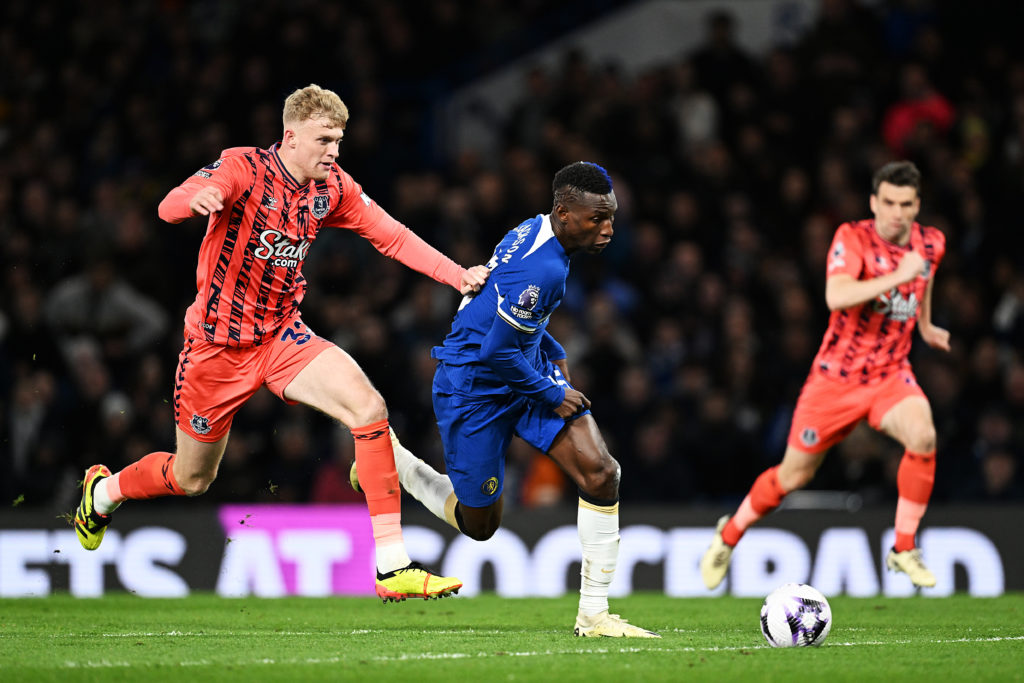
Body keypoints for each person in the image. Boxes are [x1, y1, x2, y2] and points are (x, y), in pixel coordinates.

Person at [74, 84, 490, 602]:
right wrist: (194, 200)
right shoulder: (242, 169)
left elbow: (393, 235)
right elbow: (166, 206)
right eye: (324, 140)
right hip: (216, 349)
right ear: (290, 137)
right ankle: (105, 491)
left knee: (368, 406)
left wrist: (457, 276)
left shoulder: (331, 187)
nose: (333, 151)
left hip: (282, 336)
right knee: (192, 477)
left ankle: (391, 565)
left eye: (338, 140)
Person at [352, 162, 660, 637]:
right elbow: (496, 350)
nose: (608, 229)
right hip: (473, 385)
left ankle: (594, 616)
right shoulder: (545, 267)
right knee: (480, 526)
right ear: (564, 212)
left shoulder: (536, 232)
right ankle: (393, 461)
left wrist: (551, 356)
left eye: (611, 217)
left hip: (519, 365)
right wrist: (551, 391)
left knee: (601, 473)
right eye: (597, 219)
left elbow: (514, 321)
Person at [700, 160, 949, 590]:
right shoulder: (853, 237)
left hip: (891, 374)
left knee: (924, 436)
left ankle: (903, 547)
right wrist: (896, 275)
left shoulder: (931, 243)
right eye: (888, 202)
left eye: (906, 204)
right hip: (835, 380)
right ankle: (729, 534)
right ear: (874, 202)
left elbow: (923, 282)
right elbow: (837, 295)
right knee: (793, 476)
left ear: (917, 205)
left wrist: (924, 325)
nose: (897, 212)